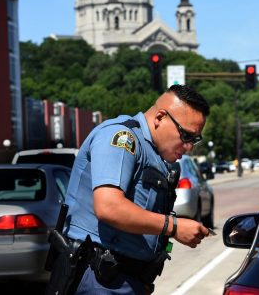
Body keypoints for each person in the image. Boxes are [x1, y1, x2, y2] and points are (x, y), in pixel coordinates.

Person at [46, 85, 211, 294]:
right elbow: (109, 207)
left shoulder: (154, 155)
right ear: (160, 117)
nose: (189, 146)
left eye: (195, 139)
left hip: (124, 279)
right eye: (186, 136)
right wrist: (174, 227)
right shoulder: (121, 138)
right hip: (100, 278)